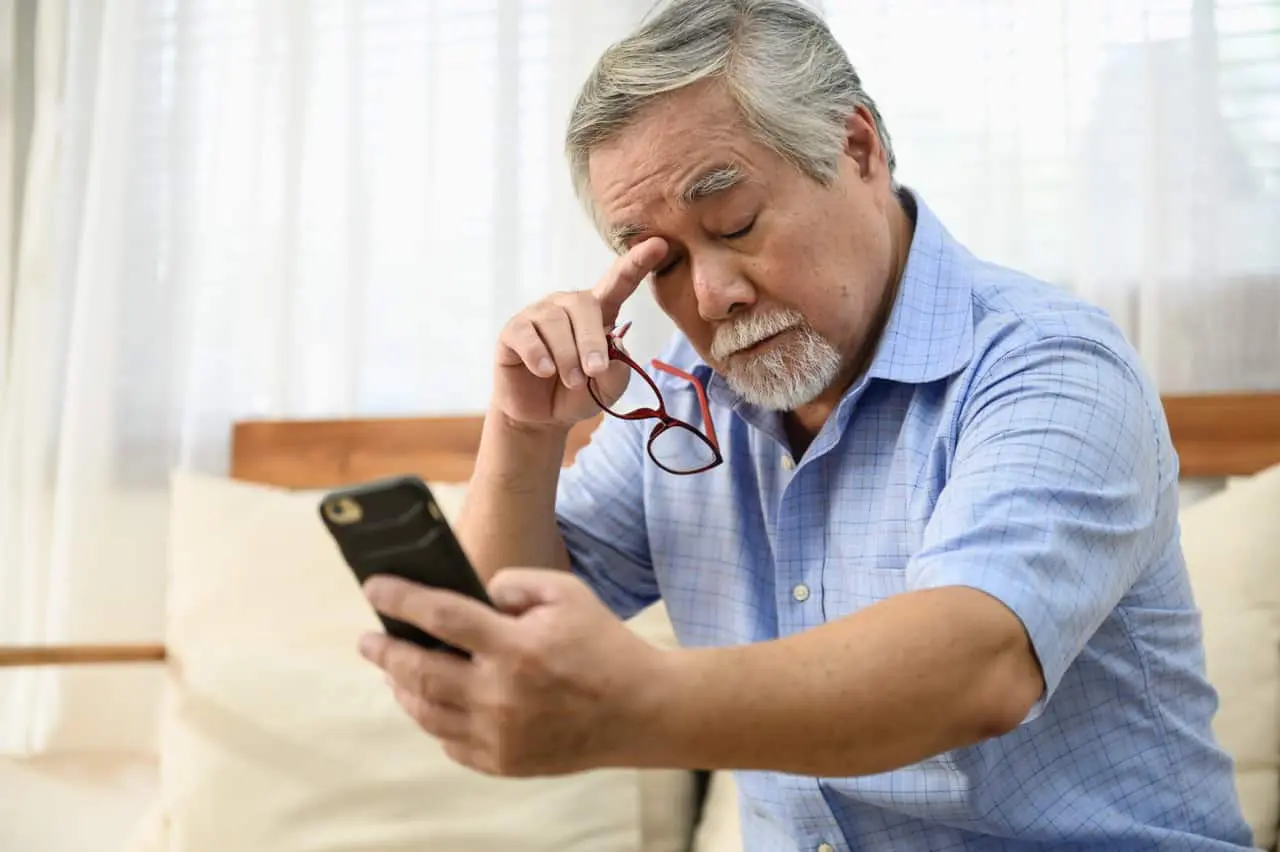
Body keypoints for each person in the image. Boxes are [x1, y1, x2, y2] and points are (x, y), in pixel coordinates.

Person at [356, 0, 1254, 848]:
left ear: (857, 146)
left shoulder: (1050, 362)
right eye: (661, 262)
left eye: (736, 223)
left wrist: (639, 703)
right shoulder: (683, 388)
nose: (711, 297)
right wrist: (523, 433)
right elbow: (494, 625)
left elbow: (976, 663)